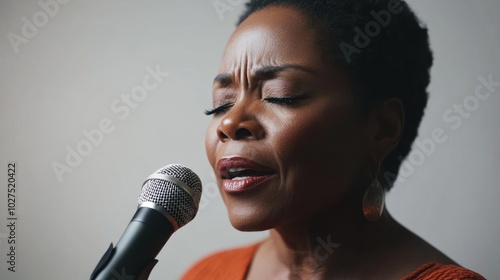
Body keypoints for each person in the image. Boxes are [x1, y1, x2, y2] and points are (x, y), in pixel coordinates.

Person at [183, 0, 485, 279]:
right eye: (222, 103)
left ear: (382, 129)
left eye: (280, 95)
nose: (230, 122)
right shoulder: (206, 274)